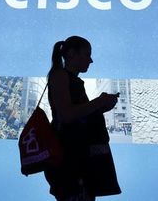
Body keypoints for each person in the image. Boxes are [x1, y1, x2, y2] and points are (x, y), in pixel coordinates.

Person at [44, 36, 121, 201]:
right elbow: (66, 115)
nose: (91, 60)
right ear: (71, 53)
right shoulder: (59, 76)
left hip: (78, 158)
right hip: (69, 159)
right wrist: (99, 102)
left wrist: (100, 108)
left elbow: (78, 115)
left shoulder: (72, 80)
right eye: (87, 54)